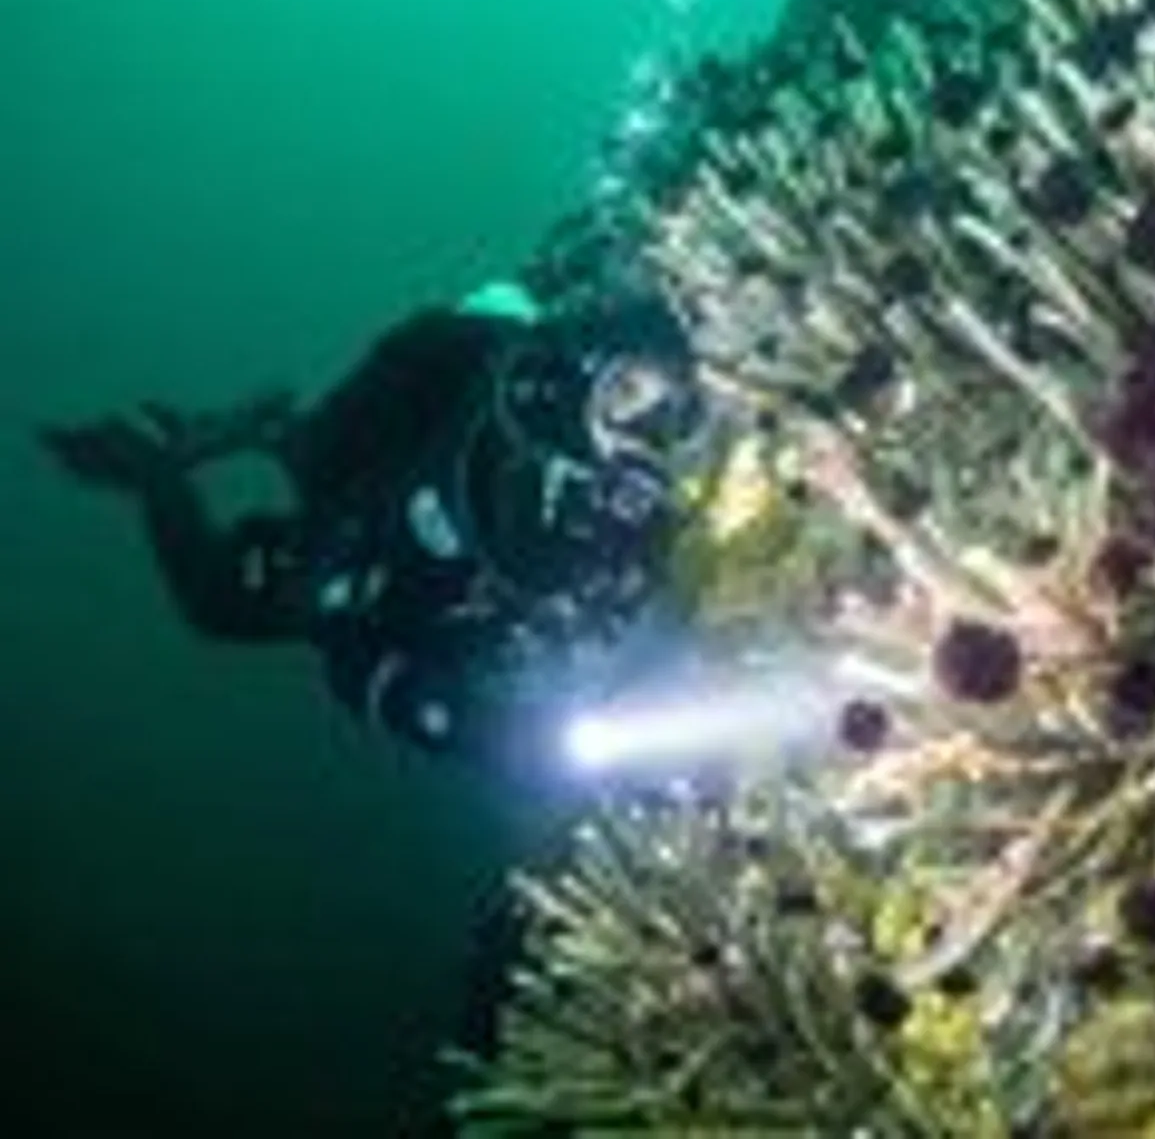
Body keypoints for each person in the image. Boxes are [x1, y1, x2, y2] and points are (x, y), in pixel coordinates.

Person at [37, 279, 708, 776]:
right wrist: (456, 723)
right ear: (580, 383)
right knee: (223, 603)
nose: (637, 440)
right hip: (376, 518)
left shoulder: (650, 497)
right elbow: (349, 646)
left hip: (458, 586)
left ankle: (271, 430)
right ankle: (161, 464)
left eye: (671, 419)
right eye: (625, 397)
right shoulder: (501, 426)